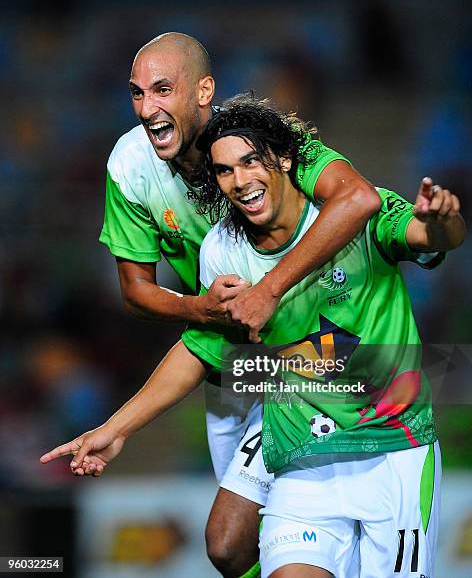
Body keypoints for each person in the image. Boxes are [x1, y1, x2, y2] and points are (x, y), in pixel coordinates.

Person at [41, 96, 464, 577]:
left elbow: (433, 238)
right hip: (301, 459)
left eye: (250, 161)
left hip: (390, 449)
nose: (240, 181)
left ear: (285, 158)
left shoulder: (355, 214)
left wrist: (442, 219)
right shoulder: (223, 250)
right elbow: (200, 350)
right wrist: (114, 430)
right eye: (224, 171)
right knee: (229, 546)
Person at [92, 31, 381, 576]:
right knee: (230, 549)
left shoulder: (265, 139)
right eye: (136, 93)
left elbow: (359, 198)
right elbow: (136, 290)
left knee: (231, 537)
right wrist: (201, 310)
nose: (147, 108)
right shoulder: (130, 166)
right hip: (231, 358)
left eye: (162, 90)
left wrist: (269, 291)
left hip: (319, 352)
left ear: (204, 91)